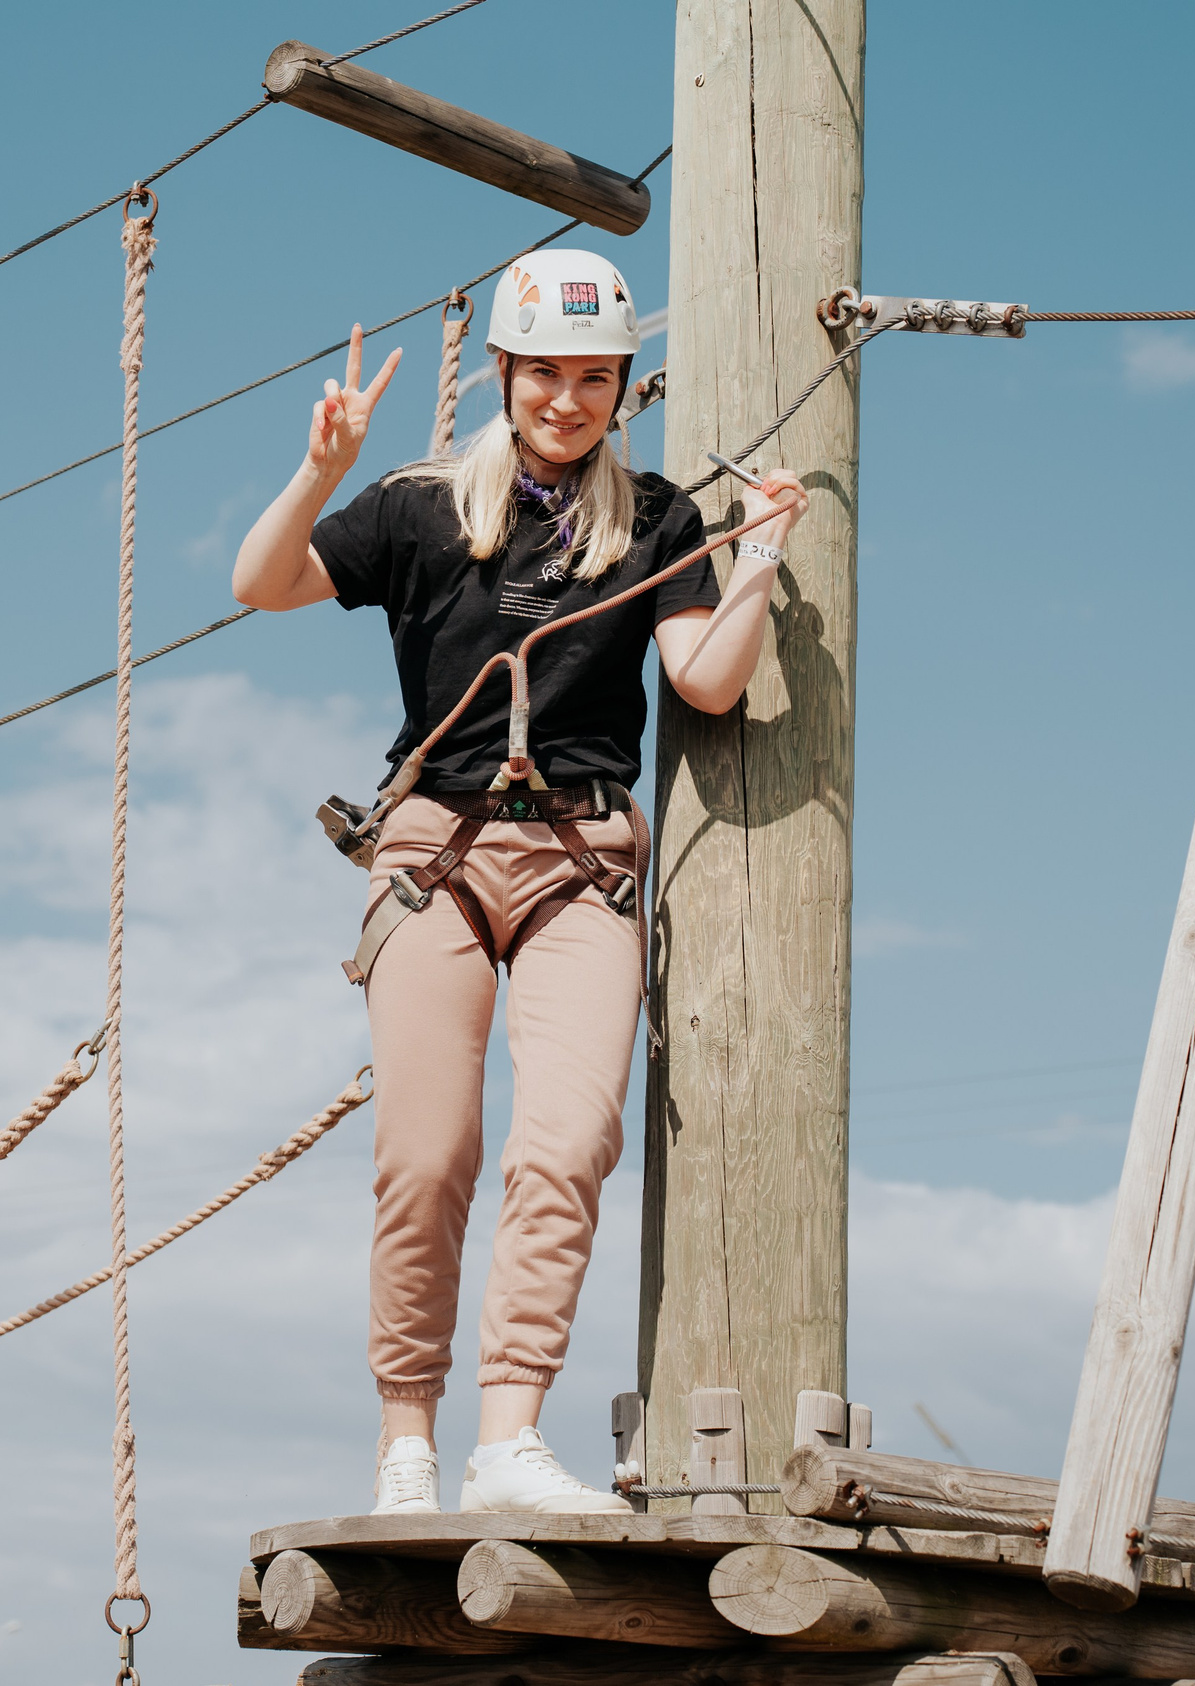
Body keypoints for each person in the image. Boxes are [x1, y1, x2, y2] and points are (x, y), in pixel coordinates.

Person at [231, 250, 803, 1515]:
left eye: (596, 378)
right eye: (546, 372)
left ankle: (508, 1437)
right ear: (502, 370)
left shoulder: (655, 520)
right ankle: (406, 1445)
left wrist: (758, 553)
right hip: (433, 854)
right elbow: (261, 586)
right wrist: (321, 470)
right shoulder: (421, 506)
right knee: (427, 1154)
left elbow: (707, 681)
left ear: (623, 385)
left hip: (580, 860)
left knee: (568, 1143)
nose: (568, 399)